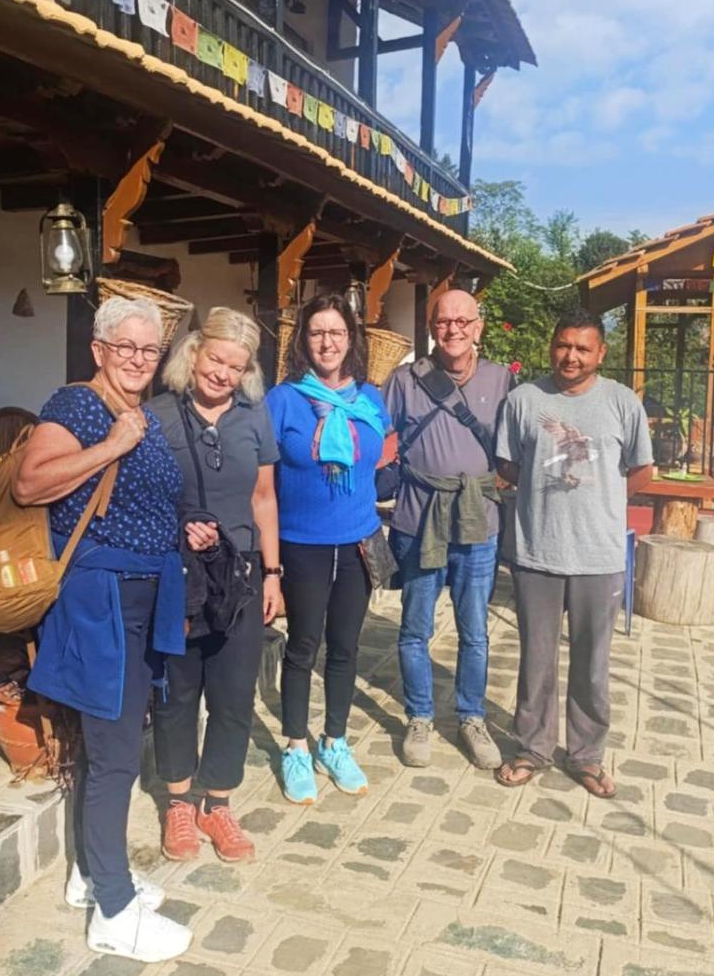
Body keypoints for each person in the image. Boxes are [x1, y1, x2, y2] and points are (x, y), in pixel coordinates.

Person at [13, 295, 192, 963]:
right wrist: (113, 445)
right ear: (99, 350)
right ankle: (114, 912)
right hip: (103, 602)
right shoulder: (79, 406)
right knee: (116, 753)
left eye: (149, 349)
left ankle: (89, 877)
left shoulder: (136, 409)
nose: (139, 360)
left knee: (106, 745)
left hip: (139, 597)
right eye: (126, 348)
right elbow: (31, 484)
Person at [494, 307, 654, 797]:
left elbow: (641, 470)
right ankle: (533, 748)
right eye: (564, 345)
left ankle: (586, 756)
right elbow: (508, 466)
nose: (571, 356)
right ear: (552, 346)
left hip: (598, 555)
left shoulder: (622, 403)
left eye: (583, 348)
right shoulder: (524, 400)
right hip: (537, 551)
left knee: (592, 663)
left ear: (601, 353)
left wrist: (600, 497)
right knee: (536, 659)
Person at [149, 307, 281, 863]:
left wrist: (273, 574)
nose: (223, 374)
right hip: (179, 574)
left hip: (240, 575)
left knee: (233, 693)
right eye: (216, 359)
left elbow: (263, 498)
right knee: (178, 690)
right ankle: (179, 802)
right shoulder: (157, 415)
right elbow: (142, 497)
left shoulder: (254, 417)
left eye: (236, 366)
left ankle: (218, 802)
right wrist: (177, 527)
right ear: (195, 352)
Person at [266, 294, 391, 804]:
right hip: (302, 545)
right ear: (303, 339)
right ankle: (296, 746)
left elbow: (382, 454)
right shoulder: (283, 400)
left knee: (345, 647)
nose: (327, 342)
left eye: (336, 332)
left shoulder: (370, 398)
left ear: (350, 338)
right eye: (317, 332)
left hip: (358, 540)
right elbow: (263, 481)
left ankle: (334, 741)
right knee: (302, 647)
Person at [383, 289, 511, 770]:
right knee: (415, 627)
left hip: (479, 524)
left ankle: (471, 716)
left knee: (474, 631)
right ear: (432, 327)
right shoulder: (405, 380)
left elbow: (522, 443)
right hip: (420, 519)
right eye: (443, 321)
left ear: (479, 327)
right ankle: (419, 716)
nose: (453, 329)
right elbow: (369, 431)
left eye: (463, 321)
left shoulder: (502, 380)